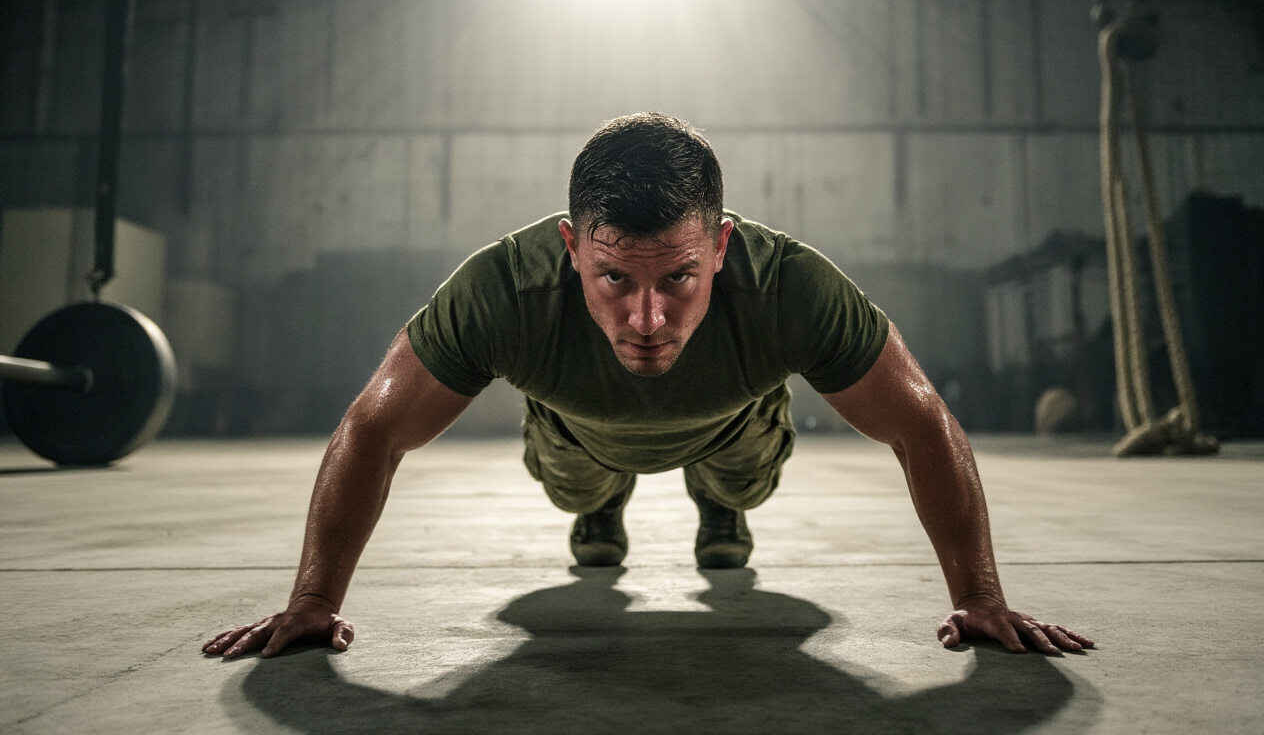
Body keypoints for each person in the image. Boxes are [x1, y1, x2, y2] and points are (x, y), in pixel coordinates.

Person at [204, 113, 1093, 661]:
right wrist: (315, 603)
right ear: (569, 249)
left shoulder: (793, 288)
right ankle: (603, 505)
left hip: (731, 428)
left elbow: (921, 422)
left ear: (722, 247)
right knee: (577, 488)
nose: (647, 320)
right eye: (613, 280)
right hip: (578, 435)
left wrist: (978, 595)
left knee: (741, 477)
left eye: (679, 279)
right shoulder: (499, 292)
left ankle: (722, 506)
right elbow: (373, 429)